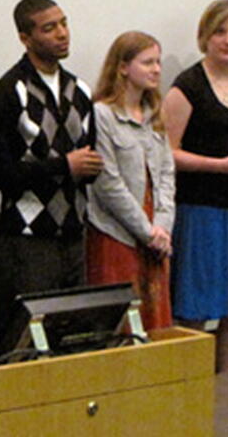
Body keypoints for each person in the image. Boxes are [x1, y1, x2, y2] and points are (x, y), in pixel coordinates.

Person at [0, 0, 101, 359]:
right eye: (49, 28)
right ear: (25, 37)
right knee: (22, 341)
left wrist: (89, 168)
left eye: (64, 24)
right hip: (27, 239)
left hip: (73, 233)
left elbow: (87, 158)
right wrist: (63, 167)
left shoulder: (80, 91)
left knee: (71, 340)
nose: (62, 34)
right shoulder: (7, 92)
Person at [164, 0, 228, 372]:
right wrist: (220, 166)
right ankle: (189, 383)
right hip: (199, 209)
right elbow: (168, 154)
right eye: (221, 32)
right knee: (197, 307)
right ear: (205, 35)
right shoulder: (186, 86)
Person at [86, 31, 174, 332]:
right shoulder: (102, 115)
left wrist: (162, 226)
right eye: (148, 62)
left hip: (156, 234)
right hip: (118, 235)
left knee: (156, 323)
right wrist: (146, 231)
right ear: (123, 67)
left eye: (158, 62)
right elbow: (108, 183)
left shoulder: (154, 113)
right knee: (122, 324)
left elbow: (166, 174)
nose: (157, 69)